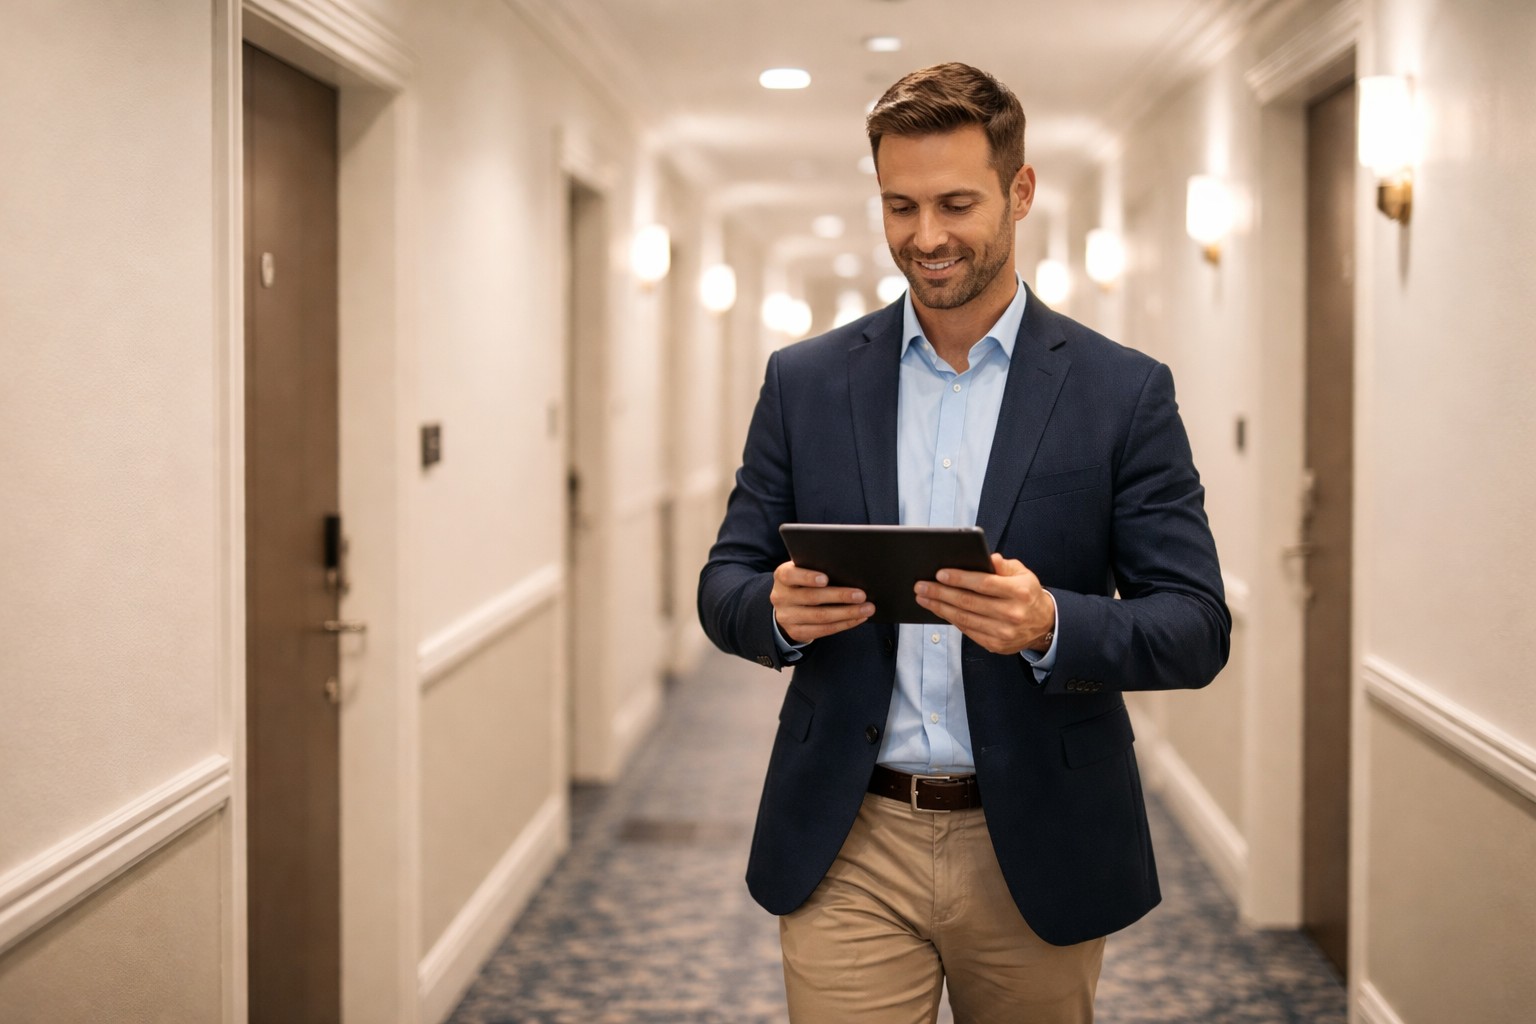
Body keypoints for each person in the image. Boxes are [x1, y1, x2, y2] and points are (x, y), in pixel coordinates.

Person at [697, 62, 1230, 1024]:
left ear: (1020, 192)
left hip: (1037, 835)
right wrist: (771, 614)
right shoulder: (806, 382)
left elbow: (1195, 626)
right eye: (900, 206)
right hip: (849, 832)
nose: (926, 237)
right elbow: (723, 583)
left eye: (955, 203)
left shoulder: (1123, 393)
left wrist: (1052, 623)